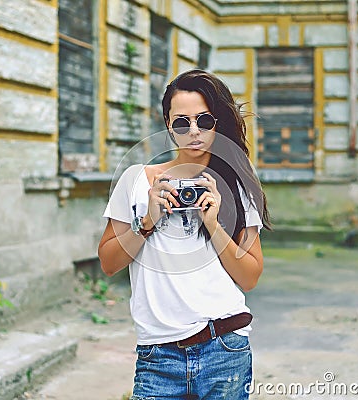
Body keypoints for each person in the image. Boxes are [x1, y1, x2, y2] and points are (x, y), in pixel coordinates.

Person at [98, 69, 271, 399]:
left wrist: (213, 224)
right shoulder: (136, 181)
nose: (194, 132)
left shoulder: (236, 184)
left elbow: (249, 278)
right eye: (182, 122)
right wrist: (148, 222)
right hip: (157, 356)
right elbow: (108, 263)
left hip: (224, 347)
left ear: (217, 123)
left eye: (204, 121)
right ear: (167, 124)